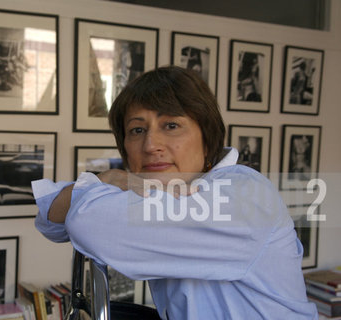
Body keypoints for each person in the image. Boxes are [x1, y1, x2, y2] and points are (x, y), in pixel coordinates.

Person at [33, 66, 317, 319]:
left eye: (171, 125)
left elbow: (85, 223)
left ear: (207, 138)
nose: (151, 144)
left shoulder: (242, 195)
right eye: (136, 130)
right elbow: (50, 218)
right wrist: (107, 179)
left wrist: (106, 183)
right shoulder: (159, 193)